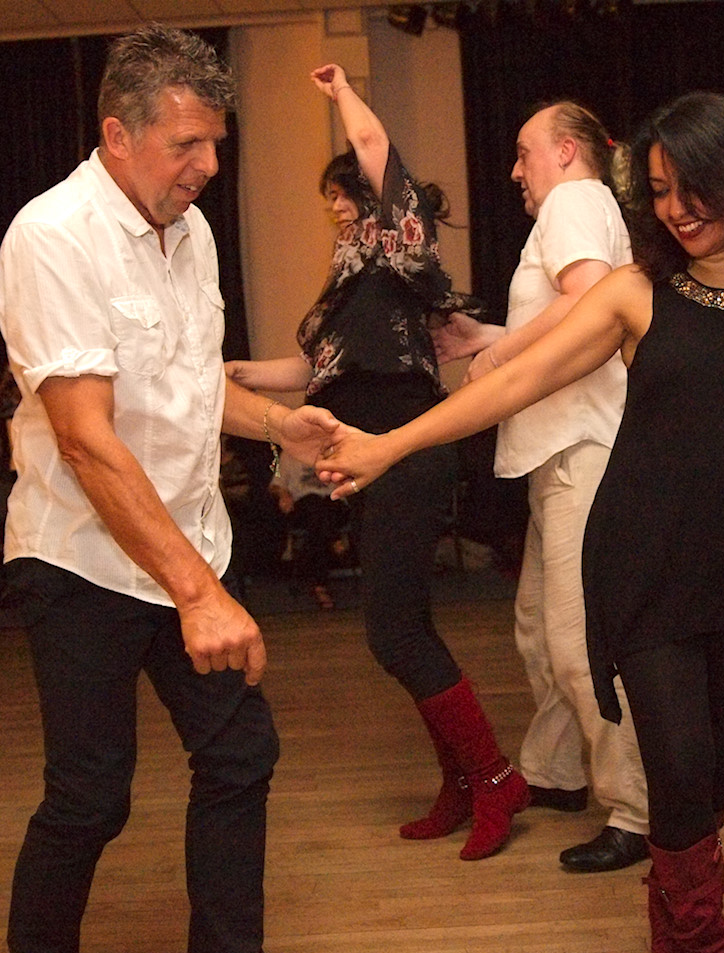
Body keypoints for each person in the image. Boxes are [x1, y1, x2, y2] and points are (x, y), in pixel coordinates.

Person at [317, 91, 724, 953]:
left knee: (713, 777)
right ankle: (710, 947)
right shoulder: (633, 294)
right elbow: (513, 383)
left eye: (692, 188)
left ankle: (673, 878)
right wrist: (387, 446)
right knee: (677, 763)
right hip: (645, 561)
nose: (675, 210)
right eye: (659, 191)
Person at [0, 27, 366, 953]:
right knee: (90, 794)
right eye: (185, 145)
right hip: (80, 558)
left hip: (187, 543)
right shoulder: (52, 236)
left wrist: (279, 424)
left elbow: (188, 386)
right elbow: (85, 437)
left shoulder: (188, 231)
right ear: (118, 135)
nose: (205, 167)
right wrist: (199, 593)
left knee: (239, 754)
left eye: (214, 145)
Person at [224, 62, 529, 863]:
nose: (333, 207)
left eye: (342, 194)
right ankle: (463, 781)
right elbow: (314, 369)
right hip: (364, 456)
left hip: (407, 446)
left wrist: (340, 91)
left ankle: (494, 777)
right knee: (403, 626)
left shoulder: (398, 244)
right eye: (330, 197)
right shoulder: (351, 280)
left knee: (393, 631)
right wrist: (235, 375)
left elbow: (371, 142)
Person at [430, 101, 649, 874]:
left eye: (525, 153)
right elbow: (570, 314)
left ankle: (636, 809)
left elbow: (589, 299)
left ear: (564, 151)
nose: (515, 171)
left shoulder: (574, 199)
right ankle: (555, 770)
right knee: (537, 629)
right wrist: (487, 338)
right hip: (562, 451)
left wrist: (500, 357)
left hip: (582, 450)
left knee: (578, 641)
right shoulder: (580, 207)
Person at [270, 450, 348, 609]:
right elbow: (275, 485)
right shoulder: (289, 454)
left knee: (323, 513)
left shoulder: (332, 450)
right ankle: (334, 540)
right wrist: (283, 494)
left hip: (332, 504)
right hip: (305, 506)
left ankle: (319, 585)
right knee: (314, 505)